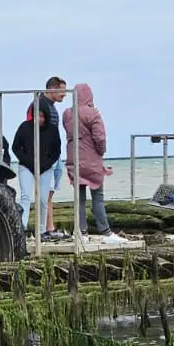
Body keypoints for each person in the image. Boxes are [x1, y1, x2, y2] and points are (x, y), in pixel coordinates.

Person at [62, 83, 112, 237]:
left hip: (74, 160)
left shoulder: (67, 114)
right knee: (97, 196)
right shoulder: (93, 114)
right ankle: (104, 229)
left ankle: (81, 230)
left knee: (80, 198)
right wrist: (100, 152)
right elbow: (100, 138)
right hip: (92, 161)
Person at [26, 76, 66, 239]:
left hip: (54, 155)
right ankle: (41, 229)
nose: (64, 96)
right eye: (61, 92)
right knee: (43, 192)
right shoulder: (39, 104)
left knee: (49, 192)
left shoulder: (52, 107)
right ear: (52, 89)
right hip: (45, 155)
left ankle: (49, 227)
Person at [12, 106, 61, 237]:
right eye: (36, 116)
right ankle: (22, 227)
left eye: (41, 116)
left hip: (45, 168)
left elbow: (56, 151)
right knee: (26, 197)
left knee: (43, 199)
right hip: (26, 166)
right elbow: (16, 147)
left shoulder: (52, 130)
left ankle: (42, 230)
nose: (39, 119)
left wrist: (46, 163)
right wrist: (27, 161)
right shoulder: (24, 127)